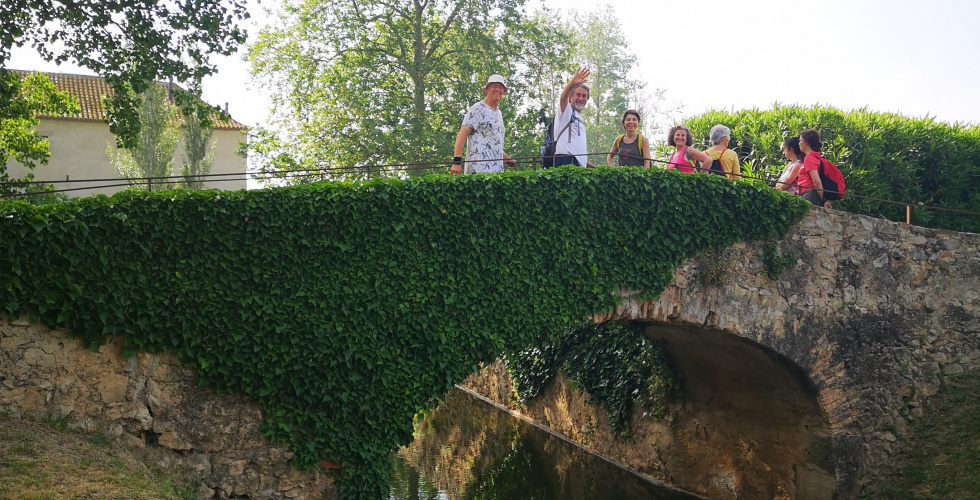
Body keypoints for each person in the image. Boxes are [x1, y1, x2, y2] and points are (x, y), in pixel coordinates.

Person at [450, 74, 518, 174]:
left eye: (500, 87)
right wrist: (456, 162)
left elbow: (492, 144)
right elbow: (462, 135)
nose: (497, 89)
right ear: (487, 90)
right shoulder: (478, 109)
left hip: (497, 172)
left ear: (503, 92)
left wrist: (506, 159)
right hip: (478, 171)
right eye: (494, 86)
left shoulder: (498, 113)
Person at [552, 67, 594, 168]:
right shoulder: (566, 112)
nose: (581, 98)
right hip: (566, 160)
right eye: (578, 95)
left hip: (579, 164)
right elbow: (563, 98)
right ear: (570, 97)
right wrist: (572, 83)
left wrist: (587, 164)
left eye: (584, 96)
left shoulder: (581, 118)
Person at [797, 129, 832, 208]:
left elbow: (816, 181)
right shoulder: (815, 157)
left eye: (800, 140)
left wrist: (823, 199)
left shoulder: (809, 158)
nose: (799, 143)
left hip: (809, 195)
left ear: (806, 143)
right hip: (808, 194)